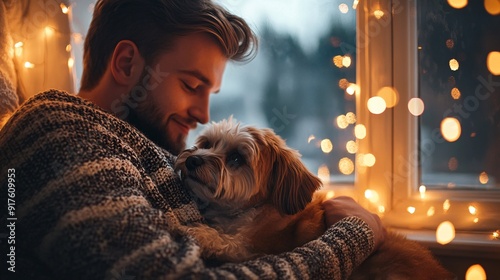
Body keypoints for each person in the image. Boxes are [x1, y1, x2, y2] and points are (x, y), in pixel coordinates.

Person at [0, 0, 385, 279]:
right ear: (126, 64)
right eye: (191, 85)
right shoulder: (64, 133)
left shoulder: (145, 144)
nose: (203, 115)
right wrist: (352, 238)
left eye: (209, 94)